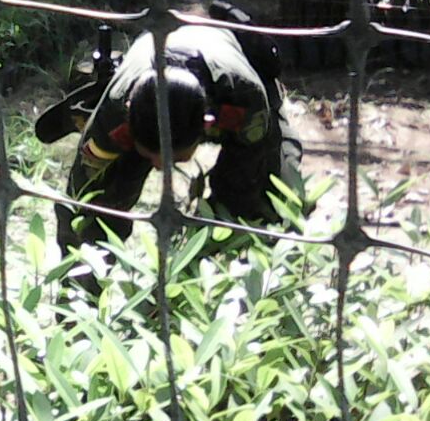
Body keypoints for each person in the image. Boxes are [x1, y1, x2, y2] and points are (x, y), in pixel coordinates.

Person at [56, 18, 303, 250]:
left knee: (267, 198)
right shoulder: (114, 113)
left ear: (207, 125)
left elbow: (244, 182)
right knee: (97, 209)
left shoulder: (245, 99)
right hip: (147, 65)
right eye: (152, 156)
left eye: (176, 158)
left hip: (224, 62)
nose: (162, 169)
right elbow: (80, 195)